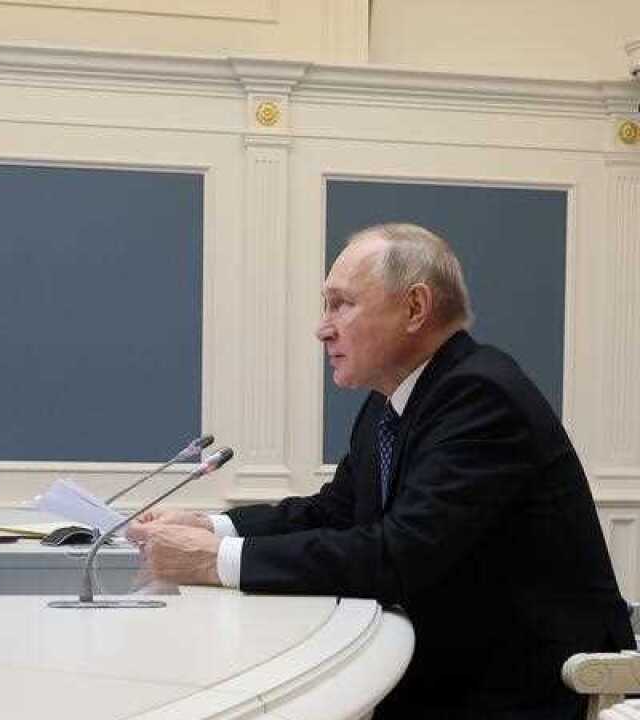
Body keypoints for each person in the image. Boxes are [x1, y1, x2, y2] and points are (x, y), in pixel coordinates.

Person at [128, 223, 634, 719]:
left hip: (525, 688)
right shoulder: (391, 401)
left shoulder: (480, 394)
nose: (322, 327)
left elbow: (401, 555)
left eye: (341, 303)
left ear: (415, 308)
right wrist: (213, 528)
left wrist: (216, 561)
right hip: (449, 670)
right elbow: (339, 510)